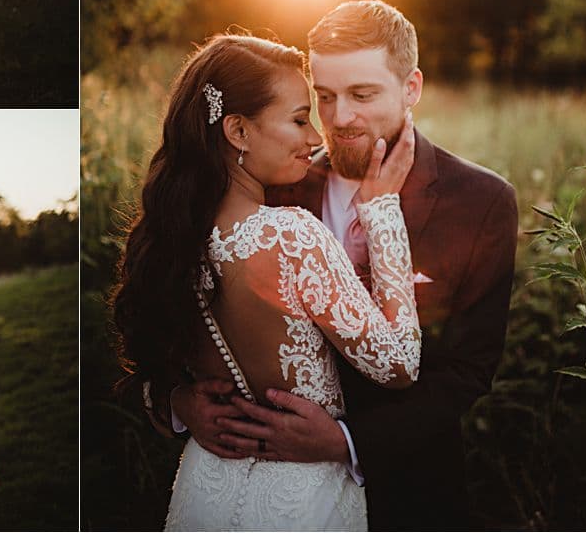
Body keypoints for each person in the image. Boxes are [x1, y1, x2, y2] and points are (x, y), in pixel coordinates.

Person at [169, 1, 519, 530]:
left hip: (410, 491)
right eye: (324, 97)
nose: (337, 119)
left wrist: (347, 442)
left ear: (411, 88)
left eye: (362, 94)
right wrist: (179, 403)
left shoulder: (481, 200)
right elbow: (175, 319)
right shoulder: (271, 180)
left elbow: (467, 371)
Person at [111, 32, 420, 530]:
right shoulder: (290, 235)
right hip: (301, 502)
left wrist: (178, 402)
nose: (316, 137)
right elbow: (398, 365)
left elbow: (148, 368)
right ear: (237, 131)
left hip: (204, 487)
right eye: (299, 119)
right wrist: (381, 211)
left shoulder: (172, 240)